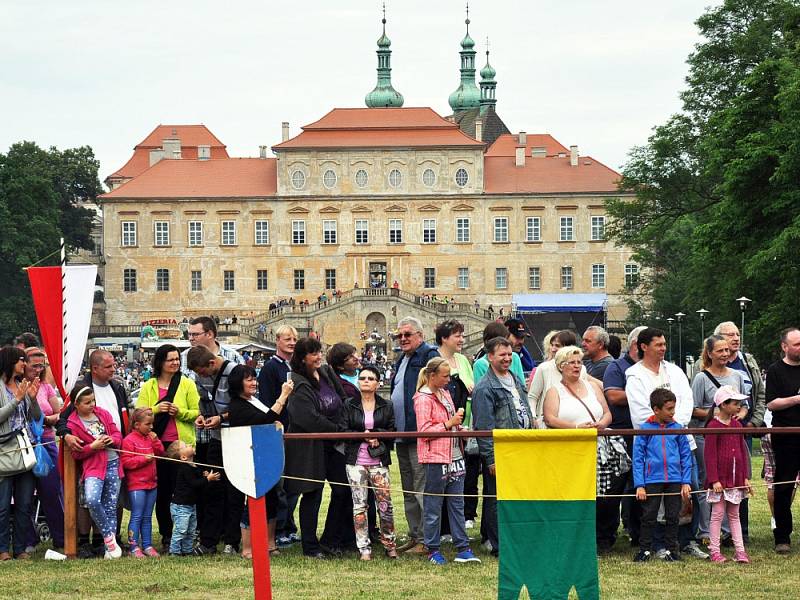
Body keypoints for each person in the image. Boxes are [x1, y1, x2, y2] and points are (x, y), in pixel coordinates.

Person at [284, 337, 349, 558]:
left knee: (342, 489)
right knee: (312, 494)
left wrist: (341, 426)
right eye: (314, 354)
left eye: (319, 352)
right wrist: (337, 430)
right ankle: (310, 547)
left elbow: (342, 398)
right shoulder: (297, 382)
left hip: (333, 442)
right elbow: (307, 418)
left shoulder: (326, 373)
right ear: (302, 358)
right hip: (310, 445)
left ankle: (331, 539)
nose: (319, 357)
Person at [414, 358, 480, 565]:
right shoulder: (423, 398)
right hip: (435, 458)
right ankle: (432, 549)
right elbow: (423, 431)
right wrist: (449, 423)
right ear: (432, 376)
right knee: (434, 505)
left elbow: (450, 425)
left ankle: (463, 547)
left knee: (457, 504)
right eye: (444, 376)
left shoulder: (445, 393)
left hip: (455, 455)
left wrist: (460, 430)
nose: (448, 380)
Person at [472, 337, 534, 556]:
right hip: (502, 451)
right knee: (496, 498)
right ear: (490, 357)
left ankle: (517, 538)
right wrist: (490, 459)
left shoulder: (515, 379)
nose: (508, 359)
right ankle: (497, 544)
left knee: (518, 496)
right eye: (502, 355)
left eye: (510, 355)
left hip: (523, 447)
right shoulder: (484, 387)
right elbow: (484, 427)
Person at [136, 344, 200, 552]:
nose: (174, 363)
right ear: (160, 362)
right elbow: (140, 413)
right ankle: (167, 534)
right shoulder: (149, 385)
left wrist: (179, 412)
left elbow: (196, 412)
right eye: (170, 359)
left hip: (181, 444)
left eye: (176, 359)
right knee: (162, 492)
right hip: (157, 445)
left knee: (183, 491)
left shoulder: (187, 384)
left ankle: (186, 535)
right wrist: (157, 409)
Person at [228, 364, 290, 558]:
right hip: (249, 459)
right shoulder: (237, 405)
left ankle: (269, 544)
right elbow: (265, 419)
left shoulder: (254, 400)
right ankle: (247, 548)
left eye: (254, 378)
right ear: (238, 383)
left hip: (265, 457)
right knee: (253, 501)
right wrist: (283, 395)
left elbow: (269, 420)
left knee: (271, 500)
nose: (254, 382)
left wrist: (275, 422)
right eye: (249, 379)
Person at [690, 335, 747, 545]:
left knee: (732, 478)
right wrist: (713, 416)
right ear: (710, 353)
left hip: (732, 434)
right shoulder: (701, 378)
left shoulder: (737, 376)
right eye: (720, 350)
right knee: (711, 479)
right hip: (709, 435)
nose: (725, 354)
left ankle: (727, 530)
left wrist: (739, 416)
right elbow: (693, 407)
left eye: (727, 350)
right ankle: (706, 531)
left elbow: (742, 405)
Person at [186, 345, 243, 556]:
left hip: (237, 437)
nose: (202, 377)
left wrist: (223, 417)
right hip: (217, 438)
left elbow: (245, 405)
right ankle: (208, 541)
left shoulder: (236, 372)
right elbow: (204, 400)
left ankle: (232, 541)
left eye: (202, 372)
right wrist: (203, 416)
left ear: (211, 363)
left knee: (235, 491)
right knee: (212, 486)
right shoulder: (201, 377)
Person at [391, 317, 439, 554]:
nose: (402, 339)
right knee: (408, 489)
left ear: (420, 334)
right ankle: (415, 534)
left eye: (407, 334)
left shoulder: (428, 355)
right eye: (399, 335)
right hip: (402, 434)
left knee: (421, 488)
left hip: (419, 433)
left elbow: (437, 390)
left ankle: (428, 540)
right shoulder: (403, 358)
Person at [341, 365, 397, 561]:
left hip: (379, 460)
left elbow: (392, 431)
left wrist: (377, 437)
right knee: (359, 506)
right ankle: (364, 547)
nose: (365, 381)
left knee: (385, 504)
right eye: (362, 377)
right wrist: (361, 436)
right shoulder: (349, 404)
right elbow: (343, 430)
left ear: (377, 383)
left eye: (370, 378)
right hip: (355, 461)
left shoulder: (386, 405)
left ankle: (389, 543)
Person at [601, 326, 648, 552]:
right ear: (637, 344)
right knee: (614, 487)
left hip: (646, 434)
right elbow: (613, 395)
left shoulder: (655, 370)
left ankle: (640, 534)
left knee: (643, 486)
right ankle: (606, 535)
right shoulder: (616, 367)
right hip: (621, 435)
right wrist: (647, 395)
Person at [632, 389, 692, 562]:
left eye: (674, 408)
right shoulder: (645, 429)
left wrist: (685, 481)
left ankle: (672, 550)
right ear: (656, 409)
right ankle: (645, 550)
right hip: (652, 479)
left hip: (675, 479)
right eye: (669, 409)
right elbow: (638, 458)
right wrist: (640, 484)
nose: (673, 412)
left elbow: (686, 455)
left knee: (673, 516)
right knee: (649, 515)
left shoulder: (678, 428)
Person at [65, 385, 123, 559]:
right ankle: (108, 537)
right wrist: (93, 447)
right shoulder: (72, 423)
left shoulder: (103, 414)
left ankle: (109, 550)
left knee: (111, 507)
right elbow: (76, 453)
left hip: (113, 463)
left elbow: (118, 436)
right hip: (93, 467)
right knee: (91, 499)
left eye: (93, 401)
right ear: (76, 404)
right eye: (87, 402)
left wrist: (111, 439)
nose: (92, 405)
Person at [257, 325, 299, 546]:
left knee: (293, 482)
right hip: (278, 429)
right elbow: (266, 402)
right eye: (287, 339)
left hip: (294, 429)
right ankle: (281, 527)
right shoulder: (271, 368)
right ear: (277, 341)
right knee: (280, 483)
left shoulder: (294, 366)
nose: (291, 342)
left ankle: (288, 525)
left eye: (294, 339)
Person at [435, 319, 479, 530]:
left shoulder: (462, 359)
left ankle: (462, 519)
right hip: (444, 424)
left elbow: (472, 388)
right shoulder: (434, 358)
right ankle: (444, 526)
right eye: (458, 336)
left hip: (464, 421)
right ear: (444, 338)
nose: (462, 339)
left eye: (462, 335)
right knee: (443, 475)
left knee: (463, 473)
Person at [0, 346, 42, 560]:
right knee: (3, 505)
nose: (24, 364)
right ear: (8, 361)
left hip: (25, 451)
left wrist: (31, 399)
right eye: (20, 360)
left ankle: (20, 548)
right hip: (5, 452)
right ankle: (3, 549)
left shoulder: (20, 385)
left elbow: (35, 417)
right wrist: (16, 399)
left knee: (25, 504)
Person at [703, 386, 752, 563]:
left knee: (734, 514)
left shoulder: (738, 425)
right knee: (717, 514)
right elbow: (709, 456)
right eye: (735, 403)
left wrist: (744, 477)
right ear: (723, 405)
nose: (739, 406)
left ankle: (740, 551)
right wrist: (714, 479)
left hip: (735, 479)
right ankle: (714, 550)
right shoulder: (713, 426)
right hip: (720, 481)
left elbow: (742, 452)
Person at [23, 347, 64, 551]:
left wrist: (48, 420)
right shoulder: (16, 387)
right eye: (34, 365)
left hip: (47, 443)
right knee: (24, 494)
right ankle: (29, 539)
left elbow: (59, 413)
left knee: (51, 491)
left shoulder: (46, 387)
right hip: (25, 445)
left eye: (42, 365)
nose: (38, 369)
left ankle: (60, 537)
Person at [765, 327, 800, 554]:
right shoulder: (775, 371)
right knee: (783, 486)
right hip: (785, 435)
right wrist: (797, 399)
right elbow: (771, 403)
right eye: (796, 344)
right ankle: (782, 537)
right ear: (784, 347)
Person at [120, 407, 164, 558]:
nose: (151, 427)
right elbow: (126, 462)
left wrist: (156, 440)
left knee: (147, 516)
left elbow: (160, 453)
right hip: (137, 485)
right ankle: (133, 546)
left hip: (152, 483)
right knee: (137, 515)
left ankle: (147, 545)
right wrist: (143, 459)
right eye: (148, 424)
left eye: (152, 424)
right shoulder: (128, 441)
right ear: (136, 424)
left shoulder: (150, 438)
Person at [527, 330, 590, 427]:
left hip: (576, 425)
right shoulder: (544, 368)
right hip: (549, 427)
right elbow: (532, 397)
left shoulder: (582, 369)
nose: (553, 349)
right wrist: (533, 417)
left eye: (557, 346)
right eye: (552, 345)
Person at [168, 441, 220, 556]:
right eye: (186, 446)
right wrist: (207, 479)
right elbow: (194, 484)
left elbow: (197, 478)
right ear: (183, 457)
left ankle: (187, 550)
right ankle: (174, 551)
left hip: (190, 505)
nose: (189, 445)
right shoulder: (184, 469)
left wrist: (204, 475)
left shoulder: (194, 466)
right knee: (181, 530)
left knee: (191, 531)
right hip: (181, 506)